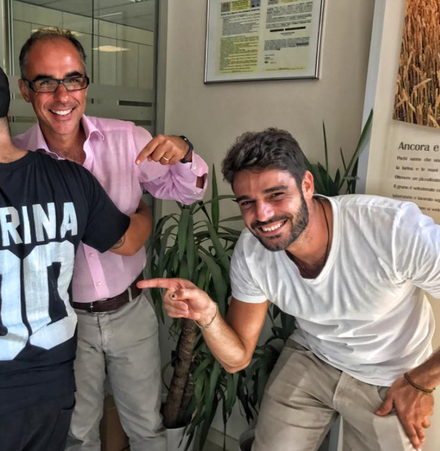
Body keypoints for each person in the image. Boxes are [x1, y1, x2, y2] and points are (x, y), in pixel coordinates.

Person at [0, 29, 208, 451]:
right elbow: (128, 237)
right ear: (22, 94)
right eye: (46, 82)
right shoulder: (38, 167)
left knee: (143, 424)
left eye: (73, 80)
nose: (62, 95)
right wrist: (145, 214)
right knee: (76, 436)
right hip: (58, 348)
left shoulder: (128, 140)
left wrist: (185, 151)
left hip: (118, 315)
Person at [139, 128, 439, 451]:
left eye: (276, 194)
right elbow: (237, 357)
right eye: (247, 202)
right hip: (314, 354)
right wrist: (209, 316)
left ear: (307, 185)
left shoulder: (391, 230)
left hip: (390, 373)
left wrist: (421, 380)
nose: (262, 215)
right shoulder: (253, 252)